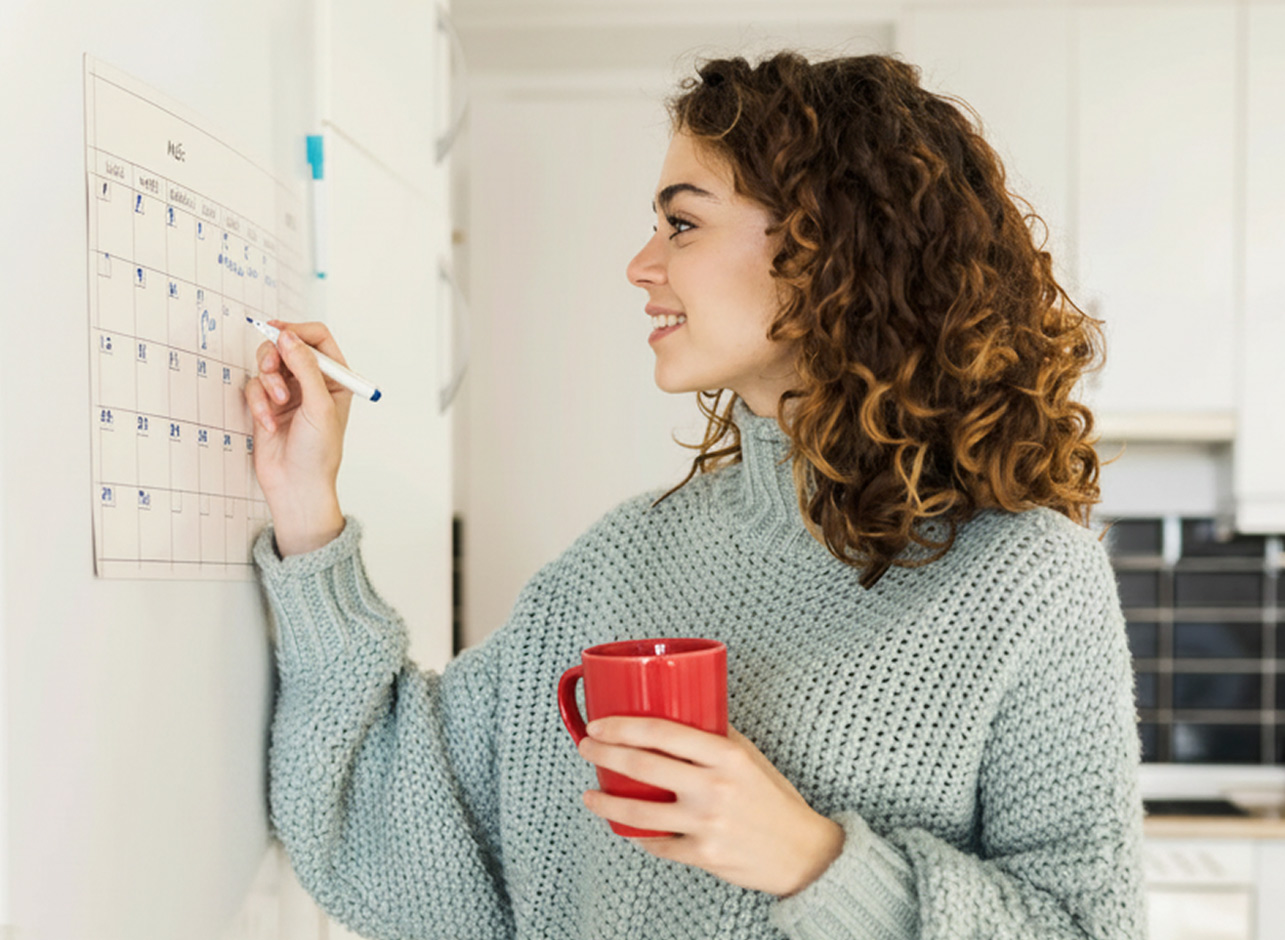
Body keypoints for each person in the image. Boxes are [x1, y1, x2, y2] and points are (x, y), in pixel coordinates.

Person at [246, 51, 1146, 940]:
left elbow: (1085, 928)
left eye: (682, 224)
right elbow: (384, 819)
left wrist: (814, 861)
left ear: (829, 246)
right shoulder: (623, 560)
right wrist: (305, 509)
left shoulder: (1029, 580)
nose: (641, 265)